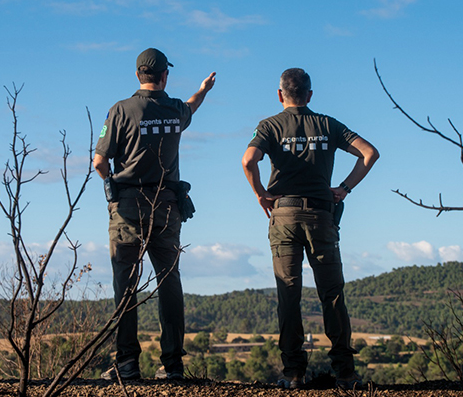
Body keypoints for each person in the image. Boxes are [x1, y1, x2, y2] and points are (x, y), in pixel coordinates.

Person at [241, 68, 378, 390]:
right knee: (332, 294)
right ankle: (345, 373)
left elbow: (249, 161)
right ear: (310, 96)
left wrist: (261, 194)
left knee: (288, 294)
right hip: (321, 216)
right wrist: (344, 188)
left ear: (280, 95)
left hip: (284, 216)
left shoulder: (270, 125)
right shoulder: (328, 124)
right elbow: (370, 153)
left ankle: (293, 373)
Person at [93, 48, 216, 381]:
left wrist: (114, 185)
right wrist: (204, 89)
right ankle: (173, 364)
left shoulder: (120, 111)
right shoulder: (174, 109)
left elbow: (99, 162)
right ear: (165, 76)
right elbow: (191, 105)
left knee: (126, 285)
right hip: (166, 207)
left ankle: (128, 364)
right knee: (169, 282)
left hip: (128, 208)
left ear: (137, 75)